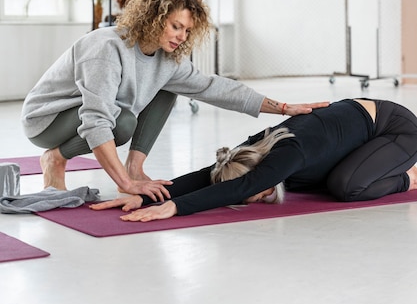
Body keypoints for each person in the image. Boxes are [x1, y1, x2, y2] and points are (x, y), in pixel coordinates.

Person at [21, 0, 329, 199]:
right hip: (47, 120)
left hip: (92, 116)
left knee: (169, 88)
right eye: (175, 26)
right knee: (123, 122)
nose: (182, 36)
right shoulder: (106, 48)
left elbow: (212, 87)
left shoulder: (167, 59)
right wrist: (125, 186)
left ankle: (136, 167)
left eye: (187, 30)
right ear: (154, 18)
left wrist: (283, 107)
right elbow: (97, 119)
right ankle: (55, 158)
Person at [90, 98, 417, 221]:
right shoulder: (251, 149)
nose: (258, 196)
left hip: (395, 129)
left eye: (255, 193)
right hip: (354, 131)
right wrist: (145, 194)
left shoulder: (288, 154)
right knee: (319, 179)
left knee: (346, 187)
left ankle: (409, 175)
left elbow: (240, 186)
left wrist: (174, 208)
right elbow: (213, 174)